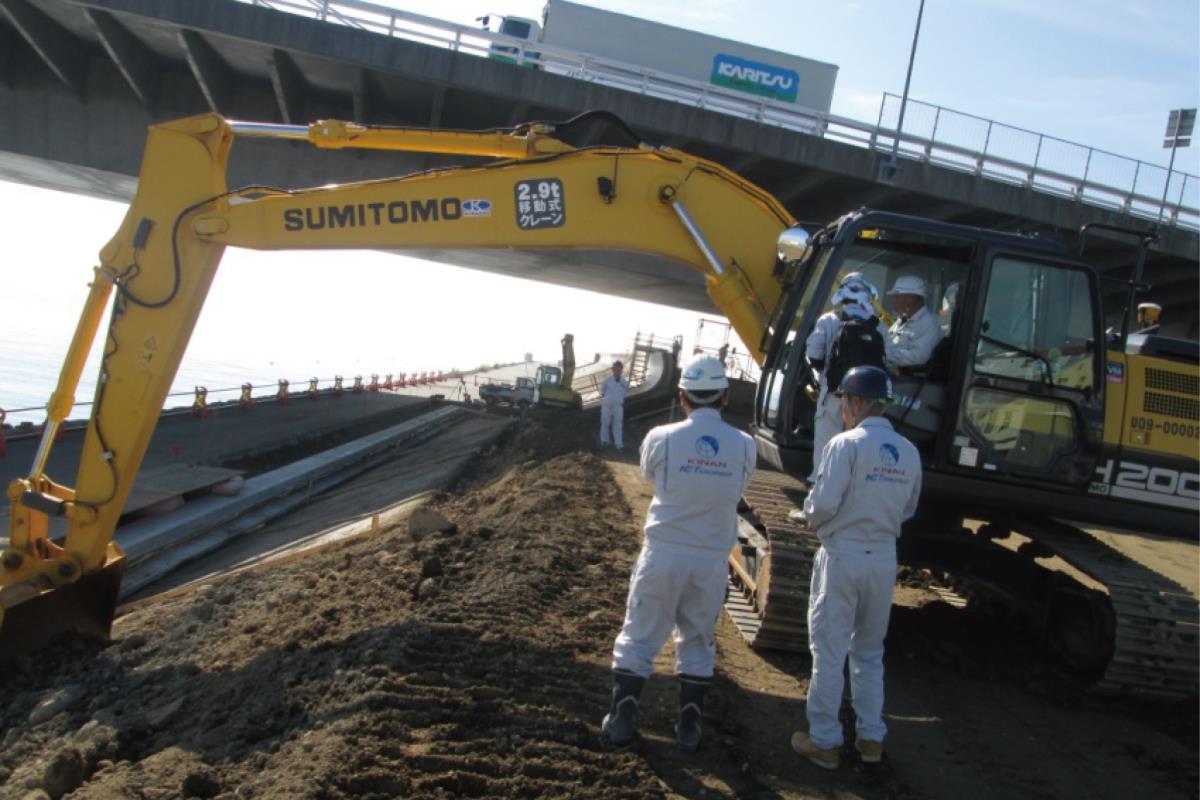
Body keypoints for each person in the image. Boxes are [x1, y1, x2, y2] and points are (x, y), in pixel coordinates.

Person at [601, 354, 756, 752]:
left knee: (640, 634)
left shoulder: (661, 437)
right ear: (724, 398)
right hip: (709, 561)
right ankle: (688, 725)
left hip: (664, 553)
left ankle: (622, 716)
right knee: (697, 640)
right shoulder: (744, 446)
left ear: (683, 396)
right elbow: (739, 486)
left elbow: (651, 477)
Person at [790, 365, 922, 770]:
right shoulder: (909, 452)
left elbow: (824, 504)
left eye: (845, 401)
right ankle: (870, 740)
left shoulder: (844, 445)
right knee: (868, 652)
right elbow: (909, 508)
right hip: (883, 558)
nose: (844, 409)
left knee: (829, 652)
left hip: (843, 556)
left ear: (857, 402)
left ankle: (825, 742)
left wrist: (810, 515)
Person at [804, 274, 886, 483]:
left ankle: (819, 489)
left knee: (826, 443)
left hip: (834, 392)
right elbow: (890, 358)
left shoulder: (829, 319)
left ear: (841, 296)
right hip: (866, 399)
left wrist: (825, 371)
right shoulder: (879, 326)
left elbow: (813, 352)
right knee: (859, 444)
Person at [884, 275, 941, 373]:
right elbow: (887, 342)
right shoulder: (902, 320)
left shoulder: (930, 323)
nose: (894, 302)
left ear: (910, 298)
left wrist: (886, 354)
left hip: (910, 380)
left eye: (897, 297)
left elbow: (920, 357)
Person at [599, 360, 630, 449]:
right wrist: (608, 400)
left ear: (621, 370)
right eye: (615, 369)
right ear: (612, 369)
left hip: (618, 406)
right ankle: (604, 441)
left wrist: (618, 400)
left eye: (619, 369)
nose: (617, 371)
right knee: (605, 423)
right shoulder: (607, 381)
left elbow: (625, 392)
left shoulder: (624, 382)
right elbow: (602, 391)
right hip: (607, 405)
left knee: (618, 425)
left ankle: (618, 444)